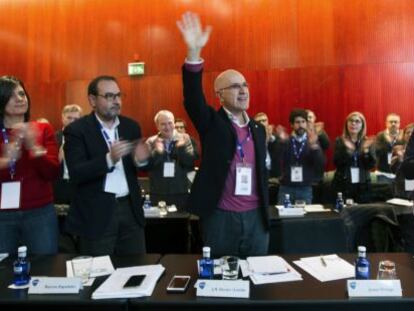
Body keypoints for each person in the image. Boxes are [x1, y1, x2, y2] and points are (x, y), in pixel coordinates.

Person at [177, 12, 269, 257]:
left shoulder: (258, 130)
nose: (243, 91)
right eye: (235, 86)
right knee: (219, 282)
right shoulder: (212, 123)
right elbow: (193, 98)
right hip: (220, 218)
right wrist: (194, 54)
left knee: (255, 281)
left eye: (245, 85)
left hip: (256, 218)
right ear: (219, 95)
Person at [63, 75, 150, 256]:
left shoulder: (130, 126)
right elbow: (76, 172)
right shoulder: (77, 130)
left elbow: (140, 166)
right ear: (92, 100)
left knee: (135, 271)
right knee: (99, 275)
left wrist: (142, 159)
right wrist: (109, 159)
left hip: (130, 211)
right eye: (109, 96)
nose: (116, 101)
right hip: (96, 215)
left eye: (118, 96)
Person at [0, 76, 59, 254]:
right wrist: (6, 160)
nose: (20, 98)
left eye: (22, 93)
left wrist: (34, 147)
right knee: (4, 271)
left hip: (40, 212)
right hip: (2, 214)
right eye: (12, 95)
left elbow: (53, 173)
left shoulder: (42, 129)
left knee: (46, 266)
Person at [145, 110, 198, 210]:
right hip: (158, 193)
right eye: (163, 124)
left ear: (174, 123)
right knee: (158, 225)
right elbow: (146, 166)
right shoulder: (151, 142)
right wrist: (157, 152)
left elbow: (190, 162)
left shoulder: (186, 139)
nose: (167, 127)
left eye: (170, 123)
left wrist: (181, 149)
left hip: (180, 192)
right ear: (157, 126)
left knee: (180, 224)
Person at [275, 109, 324, 204]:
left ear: (306, 124)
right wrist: (282, 143)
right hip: (286, 188)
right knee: (284, 218)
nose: (301, 125)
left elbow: (320, 163)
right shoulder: (286, 141)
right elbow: (277, 160)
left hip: (305, 189)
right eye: (297, 122)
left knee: (303, 218)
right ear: (292, 125)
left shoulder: (312, 141)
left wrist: (314, 147)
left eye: (303, 122)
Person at [331, 111, 376, 203]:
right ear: (346, 124)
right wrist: (348, 152)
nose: (353, 123)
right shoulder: (340, 141)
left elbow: (370, 165)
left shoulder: (367, 141)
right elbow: (337, 163)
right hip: (343, 184)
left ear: (362, 125)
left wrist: (366, 151)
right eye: (351, 121)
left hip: (362, 185)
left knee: (362, 213)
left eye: (357, 121)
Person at [54, 104, 83, 204]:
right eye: (69, 118)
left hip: (79, 187)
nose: (72, 121)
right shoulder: (53, 138)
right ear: (62, 118)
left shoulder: (85, 140)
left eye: (76, 119)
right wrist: (58, 156)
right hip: (59, 187)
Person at [375, 113, 404, 184]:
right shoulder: (380, 135)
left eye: (395, 122)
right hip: (384, 173)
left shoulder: (404, 134)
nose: (393, 124)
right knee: (385, 194)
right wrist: (389, 144)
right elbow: (377, 152)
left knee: (405, 194)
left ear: (399, 123)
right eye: (391, 122)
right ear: (386, 123)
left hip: (401, 173)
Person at [390, 123, 414, 199]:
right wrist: (400, 161)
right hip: (400, 183)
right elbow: (393, 170)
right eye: (407, 132)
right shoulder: (397, 149)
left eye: (412, 132)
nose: (410, 134)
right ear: (403, 135)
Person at [254, 112, 280, 178]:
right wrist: (265, 141)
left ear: (268, 122)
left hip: (273, 174)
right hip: (259, 173)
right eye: (259, 121)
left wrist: (270, 138)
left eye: (264, 120)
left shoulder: (275, 138)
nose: (262, 123)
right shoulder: (252, 138)